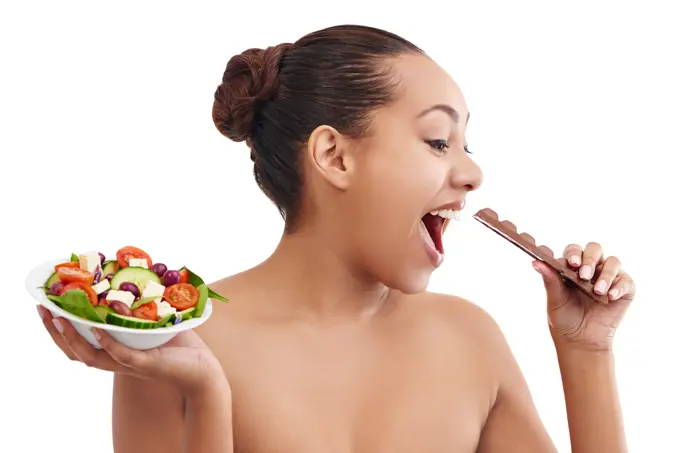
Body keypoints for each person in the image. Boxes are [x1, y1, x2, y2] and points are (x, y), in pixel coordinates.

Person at [37, 24, 636, 453]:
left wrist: (586, 353)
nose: (472, 173)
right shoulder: (171, 348)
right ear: (334, 156)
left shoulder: (467, 339)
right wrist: (209, 395)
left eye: (465, 146)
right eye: (437, 141)